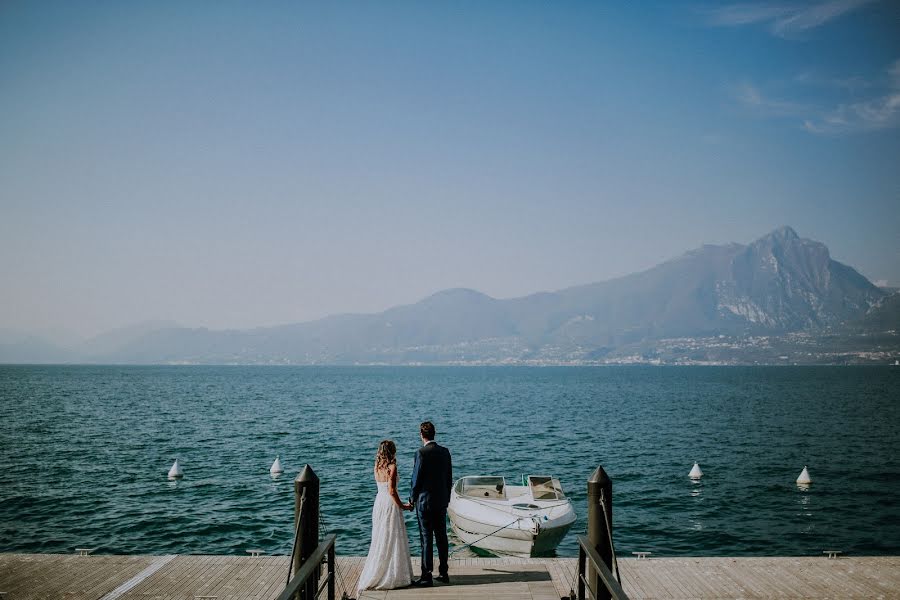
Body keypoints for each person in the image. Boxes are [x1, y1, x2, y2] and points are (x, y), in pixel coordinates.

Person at [356, 440, 414, 594]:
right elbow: (392, 491)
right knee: (392, 537)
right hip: (389, 504)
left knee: (381, 537)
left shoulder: (376, 467)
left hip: (379, 503)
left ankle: (380, 570)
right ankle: (392, 574)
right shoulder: (392, 468)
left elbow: (384, 489)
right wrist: (404, 506)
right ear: (392, 452)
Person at [410, 421, 453, 587]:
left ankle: (426, 575)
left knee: (426, 539)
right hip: (441, 501)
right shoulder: (445, 452)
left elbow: (416, 479)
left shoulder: (421, 453)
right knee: (442, 537)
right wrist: (447, 497)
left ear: (422, 435)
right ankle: (444, 572)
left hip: (425, 503)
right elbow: (449, 478)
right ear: (434, 434)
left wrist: (412, 498)